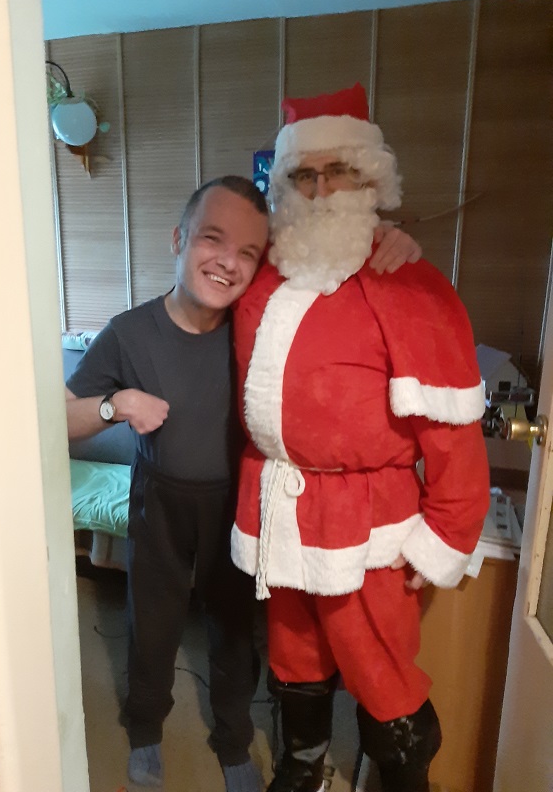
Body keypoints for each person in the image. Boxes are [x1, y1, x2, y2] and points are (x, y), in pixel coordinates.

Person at [64, 174, 422, 792]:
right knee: (152, 625)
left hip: (239, 506)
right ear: (179, 239)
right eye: (212, 238)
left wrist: (383, 241)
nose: (228, 261)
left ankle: (232, 739)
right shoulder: (128, 332)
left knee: (235, 633)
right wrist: (114, 404)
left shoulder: (259, 325)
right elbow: (62, 417)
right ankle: (145, 728)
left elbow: (332, 277)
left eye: (249, 252)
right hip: (159, 502)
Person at [230, 84, 491, 792]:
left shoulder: (407, 282)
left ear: (370, 178)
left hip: (368, 521)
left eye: (338, 171)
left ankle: (404, 775)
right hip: (278, 507)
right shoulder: (263, 278)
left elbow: (453, 431)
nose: (321, 190)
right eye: (303, 176)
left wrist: (446, 535)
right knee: (293, 654)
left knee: (380, 666)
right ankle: (303, 764)